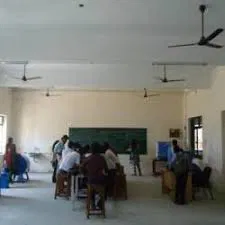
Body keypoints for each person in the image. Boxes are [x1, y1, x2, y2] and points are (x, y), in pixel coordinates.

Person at [82, 142, 108, 209]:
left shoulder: (88, 158)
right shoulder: (102, 158)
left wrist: (85, 173)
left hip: (91, 180)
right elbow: (106, 169)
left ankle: (92, 203)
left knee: (91, 187)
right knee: (107, 186)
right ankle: (100, 202)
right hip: (101, 181)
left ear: (91, 150)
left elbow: (81, 166)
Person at [171, 140, 190, 205]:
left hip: (178, 173)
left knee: (178, 186)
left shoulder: (175, 156)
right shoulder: (185, 155)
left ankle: (176, 200)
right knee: (183, 187)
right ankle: (182, 201)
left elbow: (172, 165)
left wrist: (172, 168)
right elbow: (188, 165)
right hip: (185, 173)